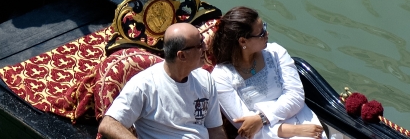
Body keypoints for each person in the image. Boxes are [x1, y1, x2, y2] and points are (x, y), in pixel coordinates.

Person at [210, 7, 324, 139]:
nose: (267, 33)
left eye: (264, 27)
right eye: (261, 33)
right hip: (263, 135)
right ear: (243, 41)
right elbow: (246, 128)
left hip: (300, 118)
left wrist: (261, 118)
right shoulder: (221, 77)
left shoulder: (276, 52)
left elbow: (296, 96)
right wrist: (294, 130)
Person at [99, 23, 227, 139]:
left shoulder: (205, 79)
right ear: (182, 56)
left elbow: (215, 130)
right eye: (200, 45)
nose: (205, 47)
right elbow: (108, 124)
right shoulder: (144, 85)